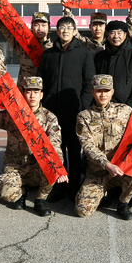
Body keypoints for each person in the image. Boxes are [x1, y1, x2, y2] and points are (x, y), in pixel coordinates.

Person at [37, 16, 95, 199]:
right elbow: (41, 81)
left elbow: (89, 83)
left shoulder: (84, 54)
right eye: (62, 27)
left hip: (74, 110)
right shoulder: (48, 54)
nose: (65, 31)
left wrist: (83, 106)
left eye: (69, 27)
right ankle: (57, 186)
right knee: (55, 149)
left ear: (74, 30)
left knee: (74, 149)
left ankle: (74, 186)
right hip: (52, 111)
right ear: (57, 30)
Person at [0, 77, 67, 216]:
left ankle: (40, 199)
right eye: (28, 91)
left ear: (41, 95)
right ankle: (21, 194)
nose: (32, 95)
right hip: (15, 165)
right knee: (4, 191)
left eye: (36, 91)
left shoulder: (49, 118)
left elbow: (54, 146)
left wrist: (58, 168)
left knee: (54, 164)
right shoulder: (12, 114)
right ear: (23, 93)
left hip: (36, 166)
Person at [75, 75, 132, 220]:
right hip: (97, 171)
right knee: (82, 210)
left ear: (112, 92)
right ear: (92, 92)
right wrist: (106, 164)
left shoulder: (125, 111)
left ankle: (123, 203)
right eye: (99, 90)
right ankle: (102, 193)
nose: (103, 94)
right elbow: (88, 147)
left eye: (106, 90)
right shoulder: (83, 117)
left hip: (121, 170)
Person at [0, 6, 54, 88]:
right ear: (31, 27)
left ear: (49, 27)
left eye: (43, 25)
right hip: (24, 92)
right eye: (36, 25)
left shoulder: (54, 49)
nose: (40, 28)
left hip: (45, 92)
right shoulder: (24, 45)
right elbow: (7, 30)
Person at [94, 20, 132, 108]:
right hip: (103, 106)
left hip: (127, 108)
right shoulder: (100, 57)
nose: (116, 36)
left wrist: (130, 104)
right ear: (107, 35)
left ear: (125, 34)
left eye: (119, 33)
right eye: (112, 33)